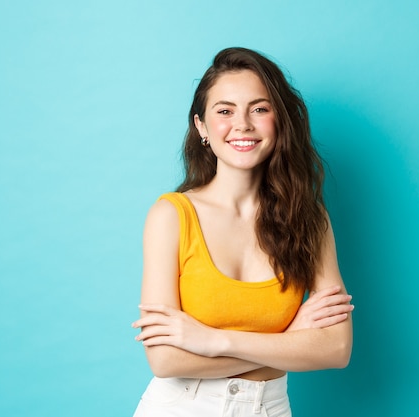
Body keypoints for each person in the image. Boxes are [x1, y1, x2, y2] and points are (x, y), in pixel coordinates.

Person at [131, 47, 354, 417]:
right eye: (225, 111)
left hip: (270, 408)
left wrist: (212, 341)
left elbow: (336, 349)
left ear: (279, 121)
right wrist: (286, 345)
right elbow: (165, 360)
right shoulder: (171, 216)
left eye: (260, 109)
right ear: (201, 126)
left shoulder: (309, 219)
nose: (243, 124)